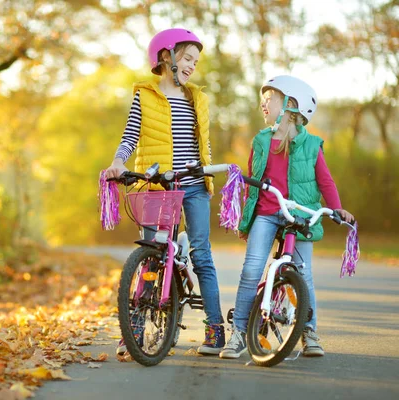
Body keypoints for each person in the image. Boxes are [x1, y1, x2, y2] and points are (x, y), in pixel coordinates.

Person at [104, 28, 226, 356]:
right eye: (187, 58)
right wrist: (118, 162)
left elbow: (204, 143)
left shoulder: (197, 97)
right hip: (158, 183)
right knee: (152, 253)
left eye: (195, 61)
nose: (191, 66)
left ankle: (215, 329)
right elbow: (130, 135)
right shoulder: (144, 95)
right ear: (165, 57)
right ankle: (135, 329)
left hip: (194, 183)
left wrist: (208, 170)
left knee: (202, 254)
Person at [219, 75, 355, 359]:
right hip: (268, 213)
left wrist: (337, 207)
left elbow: (325, 182)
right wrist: (247, 221)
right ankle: (239, 333)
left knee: (303, 274)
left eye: (269, 99)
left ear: (290, 105)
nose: (263, 104)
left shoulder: (312, 145)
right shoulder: (261, 140)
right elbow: (252, 185)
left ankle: (308, 331)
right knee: (251, 270)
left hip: (299, 216)